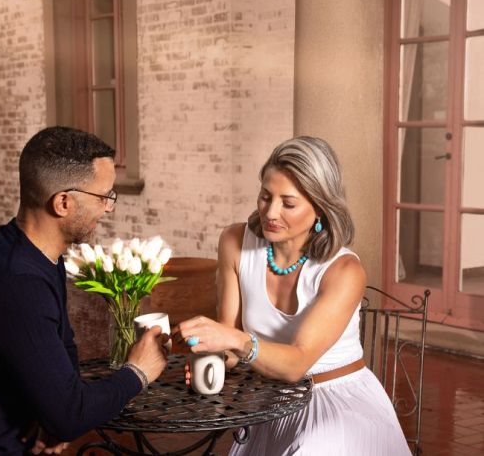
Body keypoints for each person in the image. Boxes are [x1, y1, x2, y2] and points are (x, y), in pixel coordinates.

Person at [0, 127, 168, 454]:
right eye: (104, 196)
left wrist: (51, 413)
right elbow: (70, 416)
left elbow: (65, 352)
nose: (109, 207)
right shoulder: (17, 280)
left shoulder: (35, 255)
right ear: (63, 202)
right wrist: (138, 371)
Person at [174, 136, 410, 455]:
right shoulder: (235, 241)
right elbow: (229, 345)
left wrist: (231, 339)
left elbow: (296, 363)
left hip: (335, 404)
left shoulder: (344, 271)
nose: (271, 212)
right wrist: (207, 353)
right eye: (265, 196)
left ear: (320, 208)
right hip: (271, 402)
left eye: (288, 203)